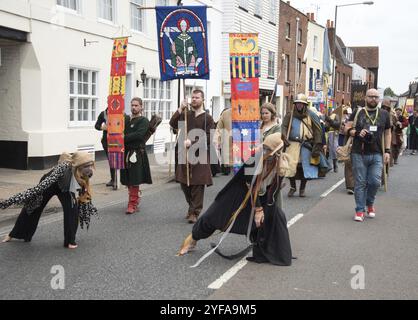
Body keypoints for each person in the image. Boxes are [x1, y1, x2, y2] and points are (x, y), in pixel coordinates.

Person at [177, 133, 292, 267]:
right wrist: (258, 209)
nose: (264, 151)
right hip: (239, 193)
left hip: (262, 196)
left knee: (277, 216)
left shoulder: (281, 164)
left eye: (268, 149)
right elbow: (251, 186)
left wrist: (268, 207)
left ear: (276, 151)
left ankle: (271, 250)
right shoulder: (255, 159)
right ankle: (193, 238)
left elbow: (274, 189)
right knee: (214, 216)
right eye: (264, 148)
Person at [1, 152, 97, 249]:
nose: (89, 168)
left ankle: (70, 240)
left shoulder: (88, 172)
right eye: (86, 166)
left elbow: (83, 187)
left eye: (90, 165)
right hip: (50, 185)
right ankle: (13, 234)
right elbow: (39, 188)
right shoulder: (62, 168)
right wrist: (9, 201)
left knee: (72, 209)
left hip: (65, 188)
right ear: (78, 166)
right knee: (33, 208)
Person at [345, 89, 391, 222]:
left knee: (375, 182)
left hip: (377, 153)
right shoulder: (358, 112)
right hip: (358, 153)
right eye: (371, 97)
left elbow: (388, 133)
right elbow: (346, 128)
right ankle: (359, 210)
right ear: (365, 98)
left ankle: (369, 203)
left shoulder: (384, 114)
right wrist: (356, 132)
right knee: (360, 183)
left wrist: (387, 151)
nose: (373, 99)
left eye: (376, 97)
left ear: (379, 99)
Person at [169, 89, 215, 224]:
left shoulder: (208, 118)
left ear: (203, 100)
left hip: (199, 155)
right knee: (184, 184)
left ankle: (195, 212)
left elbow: (209, 137)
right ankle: (191, 207)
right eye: (192, 97)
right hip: (184, 155)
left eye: (197, 97)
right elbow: (172, 124)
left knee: (197, 185)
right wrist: (180, 108)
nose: (194, 99)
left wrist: (193, 142)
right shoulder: (186, 114)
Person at [281, 93, 324, 198]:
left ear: (305, 105)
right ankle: (293, 187)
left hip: (306, 144)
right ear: (295, 104)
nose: (299, 105)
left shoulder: (311, 115)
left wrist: (317, 144)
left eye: (301, 103)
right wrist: (284, 137)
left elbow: (317, 131)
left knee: (305, 168)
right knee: (290, 166)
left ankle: (302, 189)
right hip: (292, 144)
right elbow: (284, 126)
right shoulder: (289, 115)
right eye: (297, 103)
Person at [120, 98, 153, 215]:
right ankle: (135, 198)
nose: (134, 107)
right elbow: (119, 130)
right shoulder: (126, 119)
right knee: (128, 179)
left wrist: (123, 137)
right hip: (125, 152)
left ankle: (132, 204)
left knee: (134, 178)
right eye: (132, 105)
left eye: (136, 105)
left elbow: (139, 135)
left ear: (141, 107)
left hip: (136, 153)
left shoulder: (144, 120)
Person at [95, 108, 116, 188]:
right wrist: (102, 128)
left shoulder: (119, 113)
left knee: (118, 159)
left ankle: (118, 179)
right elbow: (96, 125)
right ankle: (113, 179)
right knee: (111, 160)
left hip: (118, 140)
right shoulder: (103, 114)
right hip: (106, 140)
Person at [214, 108, 233, 176]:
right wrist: (217, 140)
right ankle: (225, 169)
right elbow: (218, 128)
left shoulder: (248, 112)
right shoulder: (225, 113)